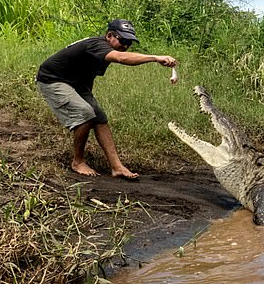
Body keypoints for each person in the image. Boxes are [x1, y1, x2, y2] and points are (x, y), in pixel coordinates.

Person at [36, 19, 177, 180]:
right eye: (122, 40)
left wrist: (88, 97)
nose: (125, 45)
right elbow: (122, 58)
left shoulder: (104, 50)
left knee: (99, 117)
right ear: (109, 35)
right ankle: (78, 162)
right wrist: (155, 58)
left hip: (77, 82)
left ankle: (117, 167)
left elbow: (89, 73)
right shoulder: (99, 45)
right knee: (85, 114)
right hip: (52, 79)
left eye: (129, 43)